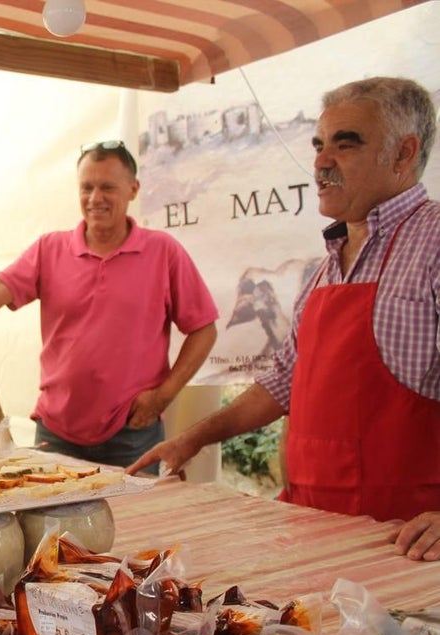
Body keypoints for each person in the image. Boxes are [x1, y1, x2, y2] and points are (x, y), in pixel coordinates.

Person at [129, 76, 440, 562]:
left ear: (403, 154)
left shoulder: (434, 241)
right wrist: (192, 438)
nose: (320, 162)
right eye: (318, 145)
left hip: (406, 543)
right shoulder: (324, 267)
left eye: (346, 143)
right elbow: (281, 383)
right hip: (311, 525)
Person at [0, 142, 217, 471]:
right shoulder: (50, 249)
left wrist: (163, 395)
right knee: (53, 525)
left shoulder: (163, 252)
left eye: (107, 187)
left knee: (135, 523)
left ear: (133, 189)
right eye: (87, 187)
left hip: (132, 433)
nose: (95, 198)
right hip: (57, 432)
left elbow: (203, 329)